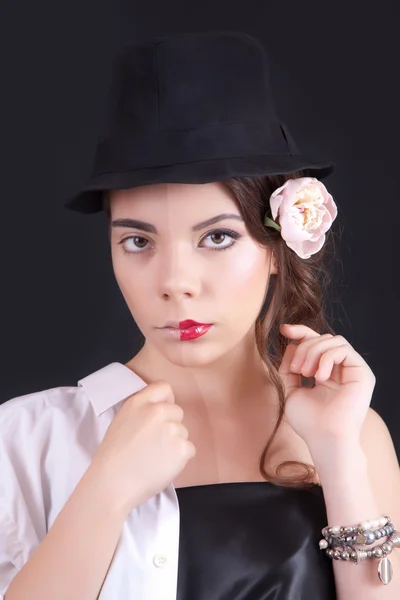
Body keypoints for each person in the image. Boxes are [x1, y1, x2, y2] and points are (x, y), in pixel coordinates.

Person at [1, 30, 399, 600]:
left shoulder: (351, 430)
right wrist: (105, 490)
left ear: (276, 248)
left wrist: (338, 457)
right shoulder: (26, 438)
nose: (175, 284)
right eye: (138, 242)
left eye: (216, 236)